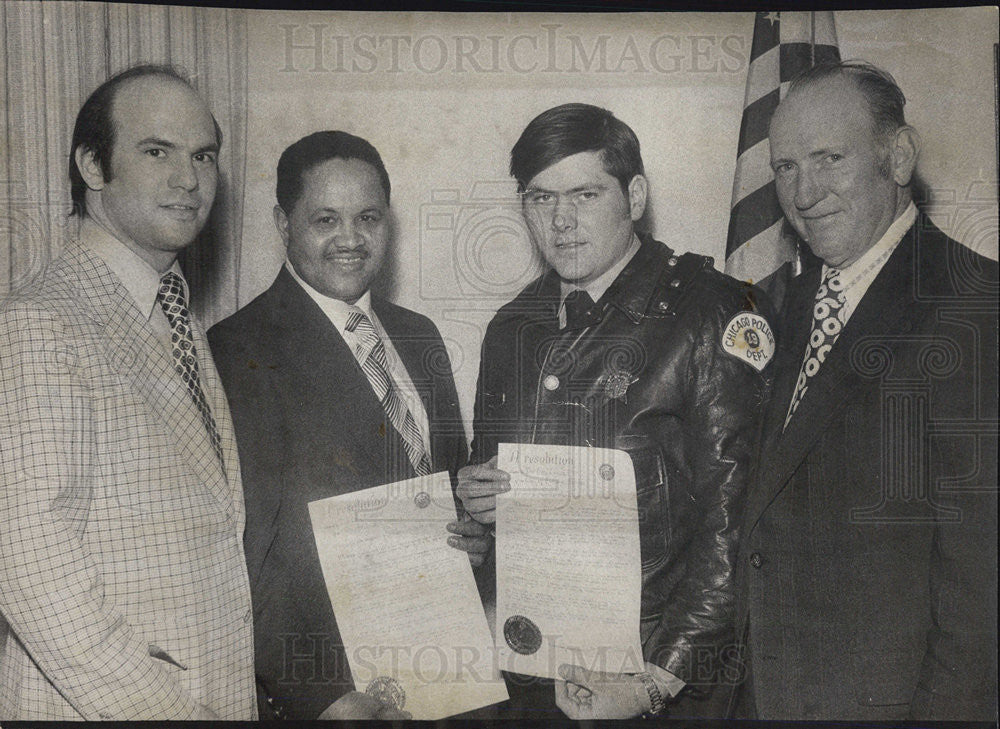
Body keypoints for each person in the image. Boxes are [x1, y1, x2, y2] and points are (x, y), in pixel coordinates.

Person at [452, 103, 774, 719]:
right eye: (540, 199)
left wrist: (660, 679)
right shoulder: (512, 329)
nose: (562, 221)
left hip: (654, 682)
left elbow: (735, 524)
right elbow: (488, 490)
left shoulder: (709, 311)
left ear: (634, 196)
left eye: (585, 194)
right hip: (527, 680)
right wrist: (476, 504)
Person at [731, 61, 998, 721]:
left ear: (899, 157)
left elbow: (982, 586)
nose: (805, 191)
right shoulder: (776, 305)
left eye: (829, 158)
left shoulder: (975, 306)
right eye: (786, 167)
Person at [0, 65, 255, 719]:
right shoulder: (42, 320)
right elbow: (31, 568)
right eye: (156, 151)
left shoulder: (175, 311)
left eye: (203, 155)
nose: (189, 179)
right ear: (92, 164)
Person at [208, 131, 479, 720]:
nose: (351, 239)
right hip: (339, 696)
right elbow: (245, 553)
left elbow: (450, 491)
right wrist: (319, 694)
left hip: (448, 671)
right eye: (325, 219)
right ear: (283, 223)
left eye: (368, 217)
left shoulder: (419, 335)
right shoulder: (237, 350)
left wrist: (479, 538)